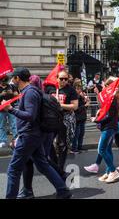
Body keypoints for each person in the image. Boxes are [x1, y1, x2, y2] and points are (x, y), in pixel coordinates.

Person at [0, 67, 71, 199]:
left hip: (28, 136)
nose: (11, 80)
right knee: (42, 164)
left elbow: (30, 115)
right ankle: (63, 190)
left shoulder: (30, 93)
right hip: (32, 135)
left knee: (13, 170)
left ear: (18, 78)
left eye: (13, 78)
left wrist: (10, 109)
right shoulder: (28, 91)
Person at [92, 77, 119, 183]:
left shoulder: (112, 98)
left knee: (101, 149)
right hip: (110, 126)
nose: (104, 87)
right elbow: (103, 107)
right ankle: (108, 171)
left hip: (109, 127)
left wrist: (96, 119)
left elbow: (108, 115)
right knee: (108, 149)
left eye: (105, 85)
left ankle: (113, 171)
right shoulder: (112, 97)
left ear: (110, 86)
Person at [54, 70, 78, 172]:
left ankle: (60, 167)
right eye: (61, 79)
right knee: (52, 144)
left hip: (66, 119)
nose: (64, 81)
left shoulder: (71, 90)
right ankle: (55, 164)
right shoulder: (51, 89)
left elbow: (75, 106)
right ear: (57, 78)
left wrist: (60, 105)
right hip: (53, 119)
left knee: (63, 144)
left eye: (66, 79)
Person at [71, 80, 89, 153]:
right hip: (77, 118)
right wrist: (85, 105)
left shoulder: (80, 96)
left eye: (80, 88)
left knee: (81, 133)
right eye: (78, 88)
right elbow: (76, 109)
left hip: (82, 117)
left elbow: (84, 108)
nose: (79, 90)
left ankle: (80, 147)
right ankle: (74, 148)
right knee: (76, 134)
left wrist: (85, 101)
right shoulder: (75, 97)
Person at [0, 75, 18, 148]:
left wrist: (12, 93)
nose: (4, 82)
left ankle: (16, 139)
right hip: (1, 109)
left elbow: (17, 95)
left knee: (14, 124)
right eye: (2, 81)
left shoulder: (12, 86)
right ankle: (3, 140)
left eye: (5, 80)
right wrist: (1, 94)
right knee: (1, 126)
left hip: (11, 108)